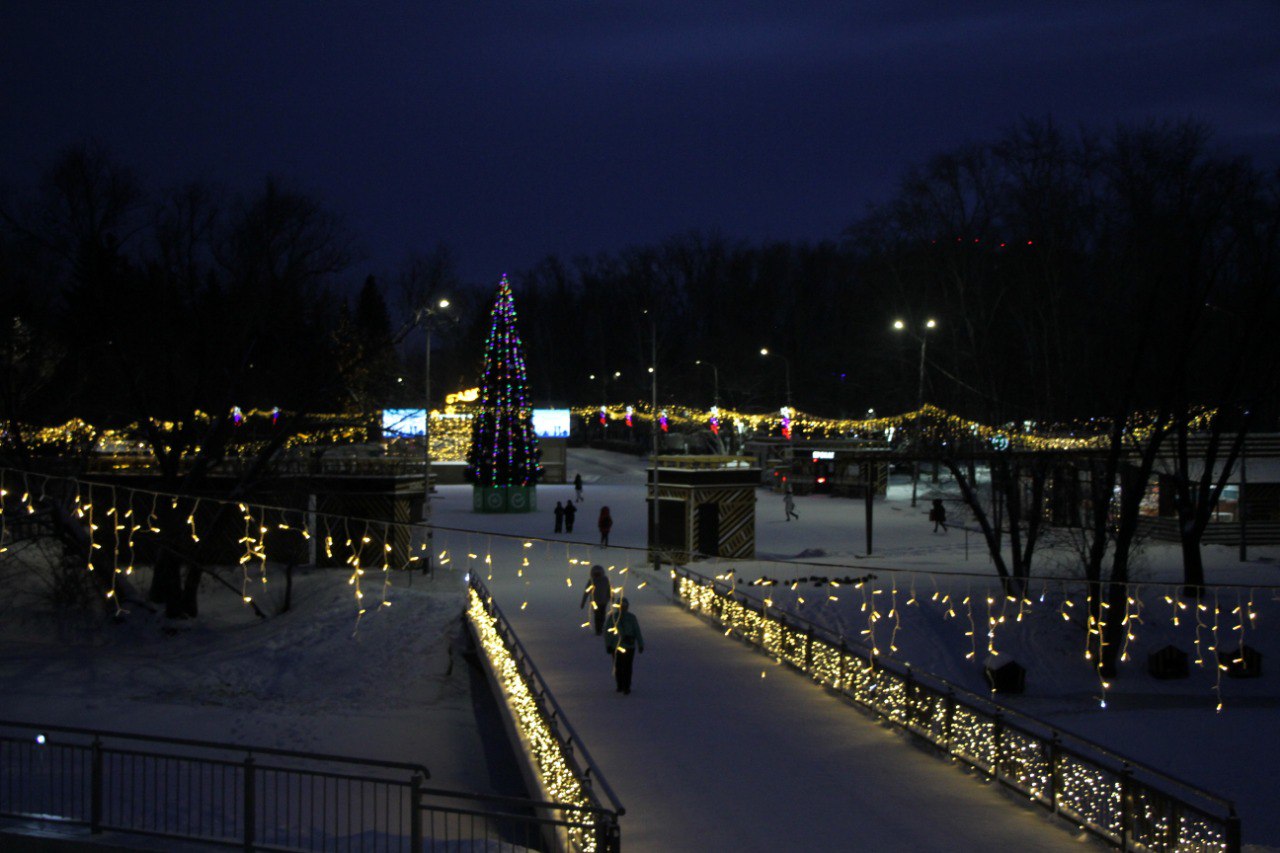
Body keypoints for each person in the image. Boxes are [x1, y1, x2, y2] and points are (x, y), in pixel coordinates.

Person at [604, 597, 644, 694]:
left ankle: (622, 685)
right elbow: (637, 631)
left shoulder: (613, 617)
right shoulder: (631, 617)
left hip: (616, 646)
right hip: (628, 646)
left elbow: (608, 633)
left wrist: (608, 645)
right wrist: (640, 644)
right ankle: (624, 685)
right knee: (626, 666)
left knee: (620, 666)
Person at [580, 564, 611, 635]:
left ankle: (601, 627)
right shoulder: (591, 581)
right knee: (597, 615)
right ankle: (598, 630)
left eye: (598, 573)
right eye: (596, 573)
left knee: (602, 615)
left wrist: (611, 597)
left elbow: (609, 589)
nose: (597, 575)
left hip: (603, 601)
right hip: (595, 602)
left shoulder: (605, 580)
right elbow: (586, 592)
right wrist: (583, 602)